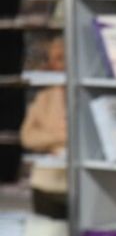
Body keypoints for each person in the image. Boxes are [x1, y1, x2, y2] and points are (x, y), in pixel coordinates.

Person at [19, 36, 67, 219]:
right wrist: (61, 137)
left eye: (62, 58)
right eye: (53, 59)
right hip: (47, 183)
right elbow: (28, 137)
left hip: (82, 185)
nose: (57, 65)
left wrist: (49, 137)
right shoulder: (45, 97)